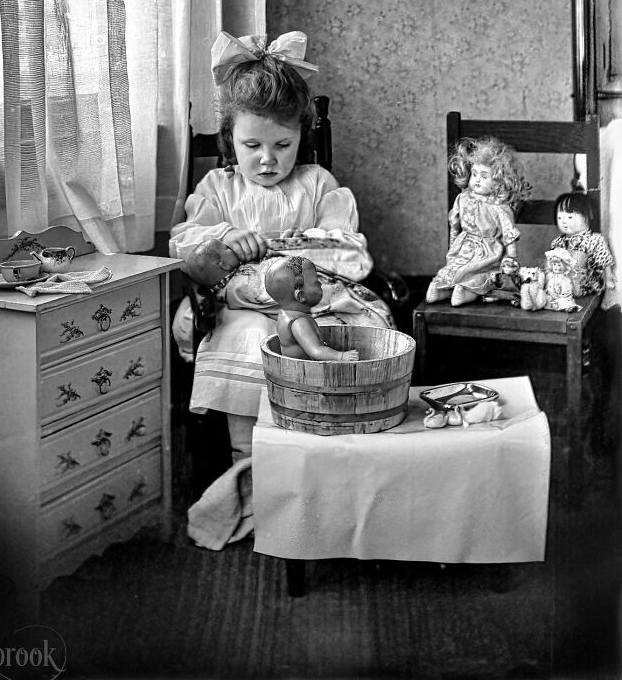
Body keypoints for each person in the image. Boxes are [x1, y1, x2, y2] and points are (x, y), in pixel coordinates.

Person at [170, 30, 394, 464]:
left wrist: (290, 251)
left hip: (312, 302)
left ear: (301, 137)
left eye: (282, 145)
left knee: (336, 335)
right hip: (245, 305)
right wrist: (224, 239)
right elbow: (185, 242)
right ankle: (249, 460)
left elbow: (346, 250)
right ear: (229, 140)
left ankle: (319, 450)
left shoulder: (316, 184)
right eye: (251, 146)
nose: (267, 159)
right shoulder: (219, 187)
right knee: (250, 338)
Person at [426, 136, 531, 306]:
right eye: (474, 174)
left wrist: (511, 257)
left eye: (484, 176)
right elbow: (455, 225)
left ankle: (467, 291)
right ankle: (441, 288)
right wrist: (452, 245)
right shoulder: (462, 198)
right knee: (453, 268)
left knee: (479, 272)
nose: (477, 180)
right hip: (464, 245)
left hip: (488, 250)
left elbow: (508, 233)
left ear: (498, 180)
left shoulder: (499, 206)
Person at [264, 256, 360, 361]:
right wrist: (340, 356)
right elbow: (315, 350)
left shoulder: (285, 315)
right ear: (301, 296)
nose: (320, 283)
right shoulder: (299, 322)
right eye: (315, 282)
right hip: (305, 372)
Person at [549, 192, 617, 297]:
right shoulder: (558, 242)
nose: (564, 222)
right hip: (562, 283)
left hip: (586, 284)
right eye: (560, 218)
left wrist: (609, 279)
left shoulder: (594, 239)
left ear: (587, 216)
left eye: (570, 217)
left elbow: (604, 261)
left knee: (579, 256)